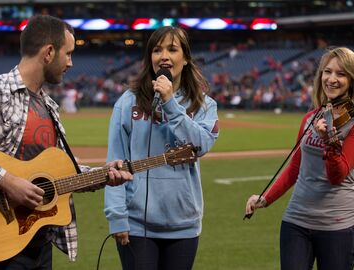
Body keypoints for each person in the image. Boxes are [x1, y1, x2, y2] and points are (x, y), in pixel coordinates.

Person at [0, 15, 132, 270]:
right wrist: (8, 181)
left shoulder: (50, 108)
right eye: (68, 54)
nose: (70, 63)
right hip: (1, 244)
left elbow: (62, 175)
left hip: (39, 244)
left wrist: (104, 175)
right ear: (48, 53)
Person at [104, 26, 219, 270]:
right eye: (157, 50)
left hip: (183, 225)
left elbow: (202, 145)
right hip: (136, 224)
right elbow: (115, 162)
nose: (164, 56)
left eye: (172, 49)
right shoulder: (127, 102)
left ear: (185, 58)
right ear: (150, 59)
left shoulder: (204, 105)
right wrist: (117, 217)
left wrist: (170, 104)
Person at [245, 47, 354, 270]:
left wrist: (329, 141)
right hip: (296, 220)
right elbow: (295, 167)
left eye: (341, 74)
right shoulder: (310, 118)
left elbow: (337, 176)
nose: (332, 79)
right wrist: (265, 198)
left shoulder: (352, 124)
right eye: (327, 72)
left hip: (336, 225)